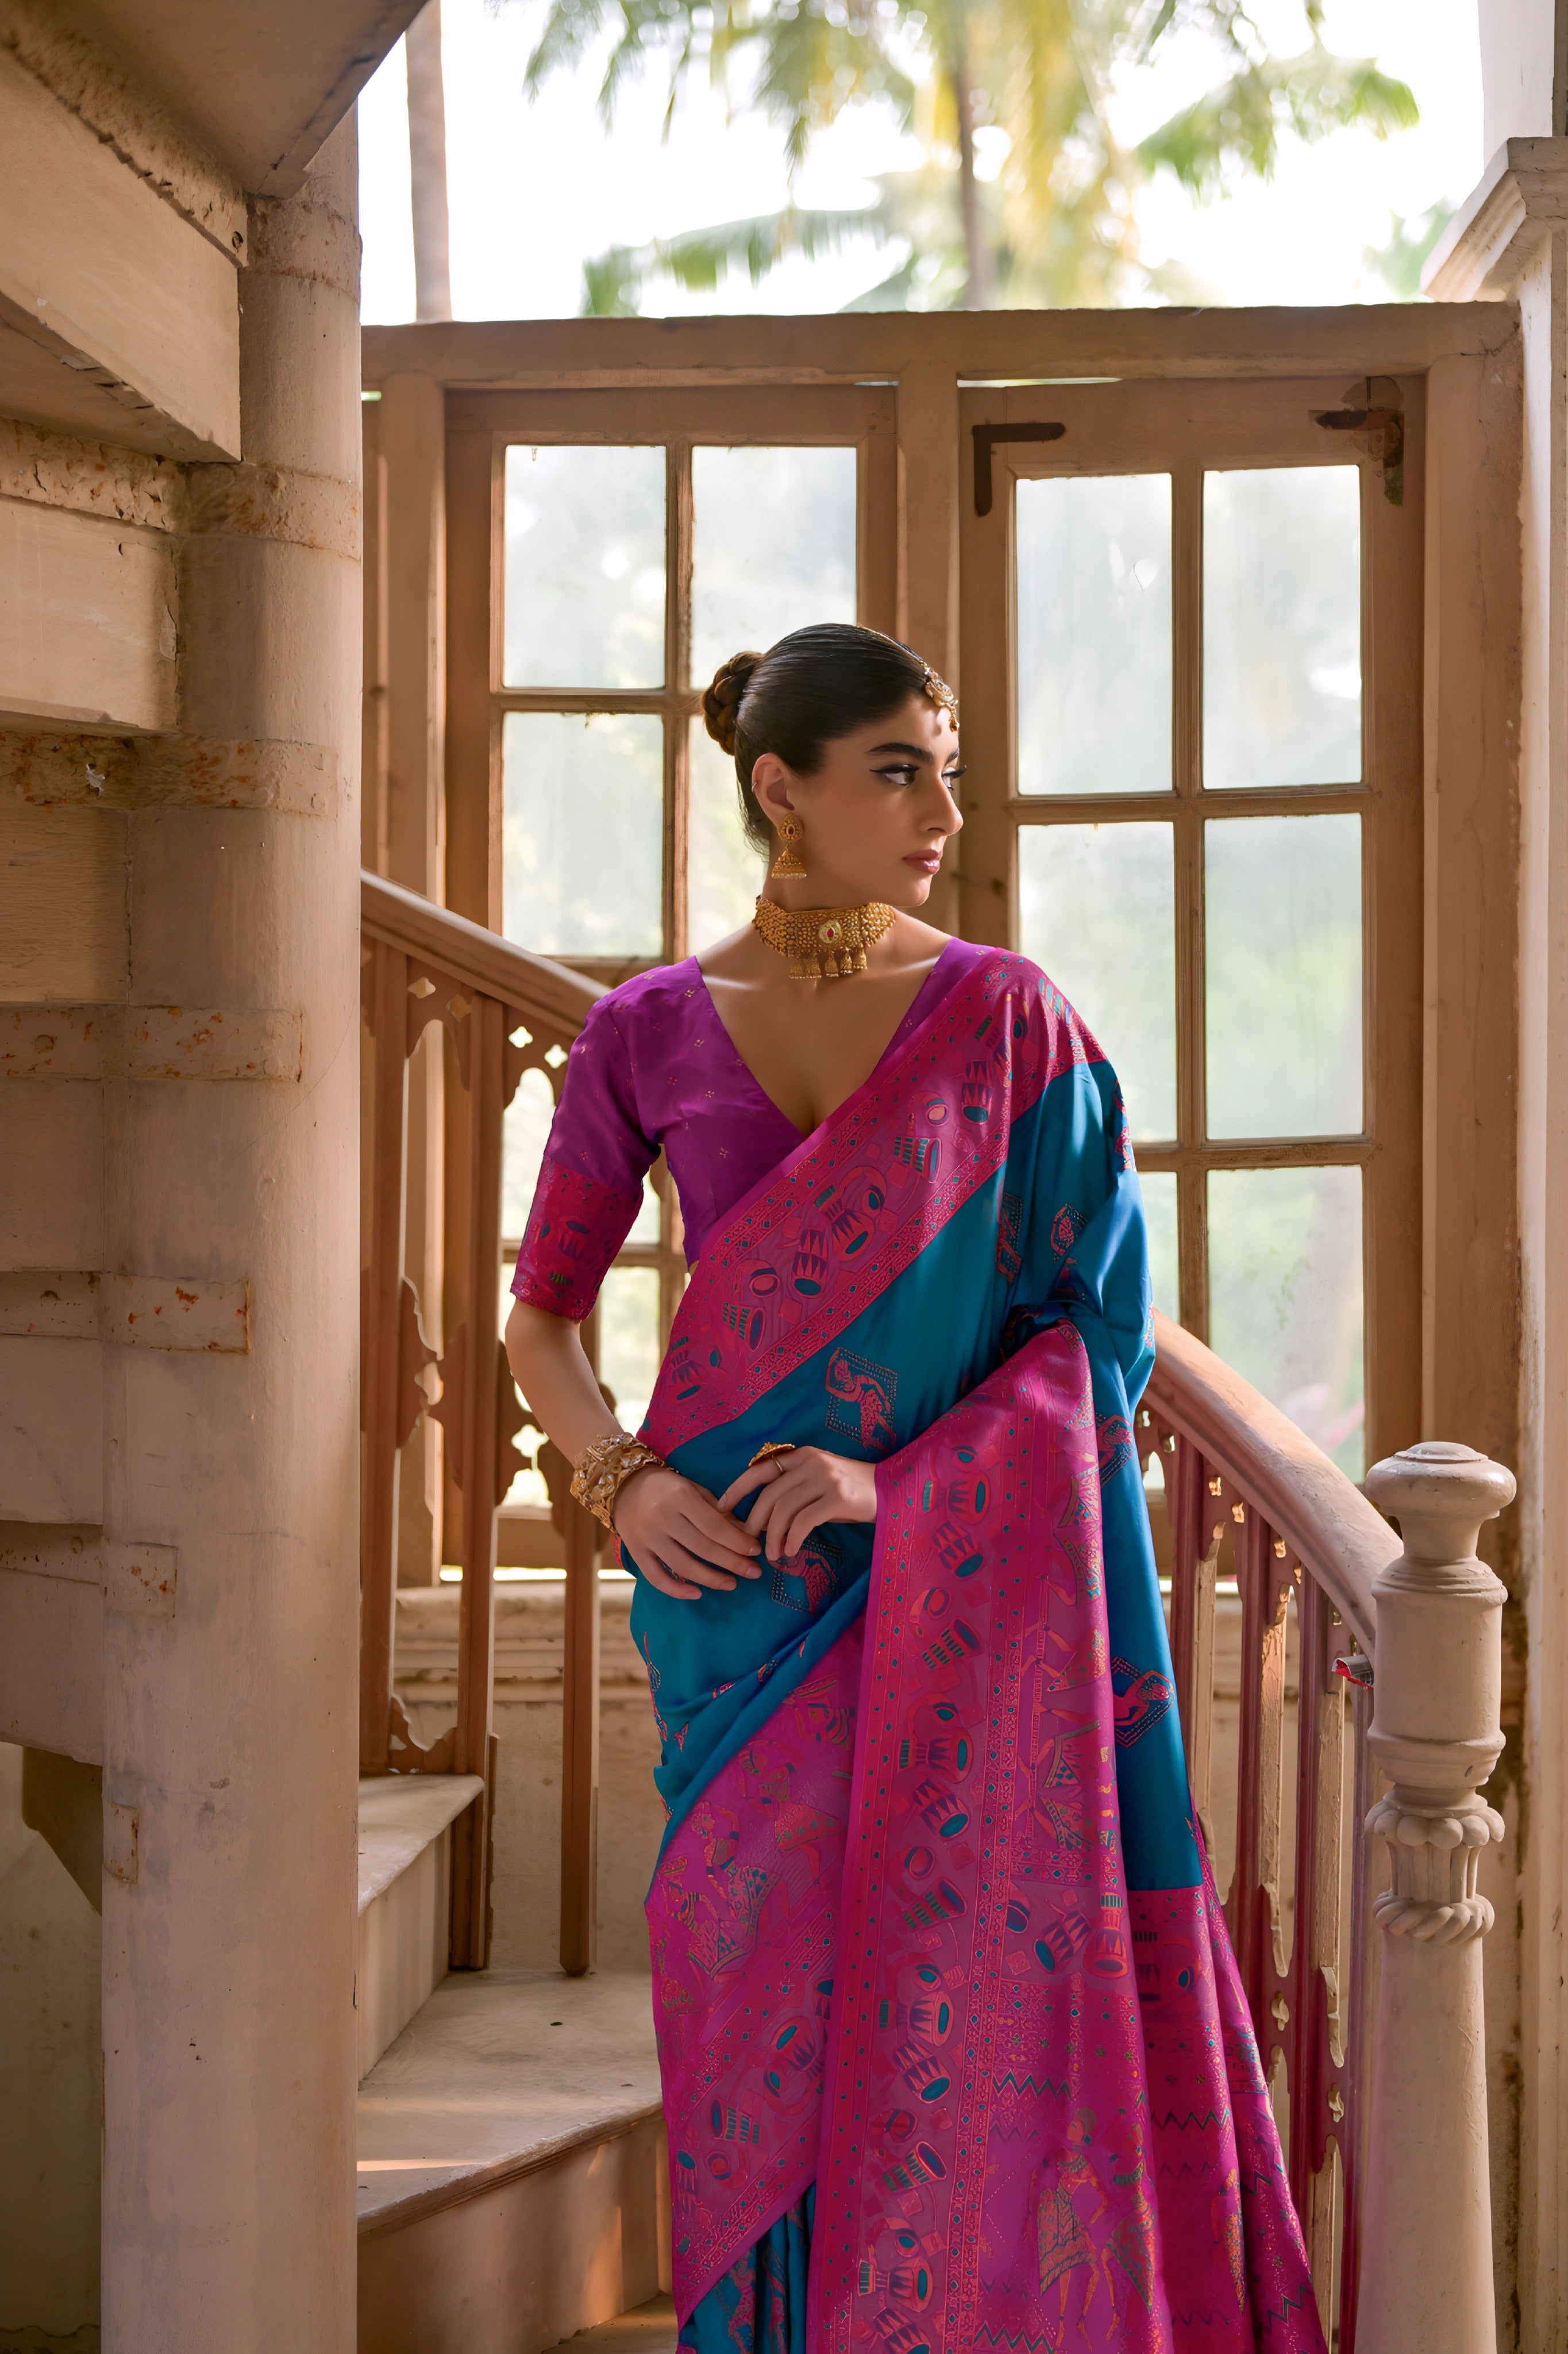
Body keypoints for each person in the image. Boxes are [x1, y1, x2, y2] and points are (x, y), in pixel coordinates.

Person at [505, 624, 1325, 2353]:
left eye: (944, 764)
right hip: (726, 1608)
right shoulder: (646, 1034)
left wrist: (903, 1493)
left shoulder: (1012, 1024)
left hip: (943, 1589)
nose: (942, 805)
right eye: (900, 769)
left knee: (954, 2012)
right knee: (754, 2055)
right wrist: (619, 1482)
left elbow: (1097, 1331)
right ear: (777, 790)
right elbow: (543, 1320)